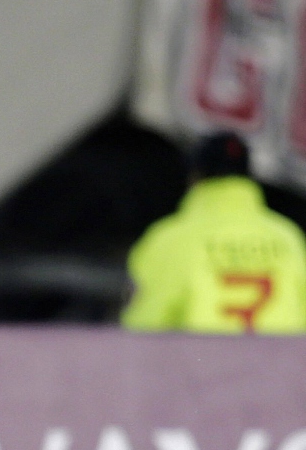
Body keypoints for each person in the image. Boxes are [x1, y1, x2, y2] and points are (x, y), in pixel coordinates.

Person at [121, 131, 306, 333]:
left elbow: (143, 326)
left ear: (195, 177)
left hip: (198, 363)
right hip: (278, 363)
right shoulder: (288, 237)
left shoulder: (168, 239)